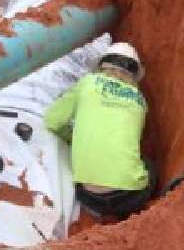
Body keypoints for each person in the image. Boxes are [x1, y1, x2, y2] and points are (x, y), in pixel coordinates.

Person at [44, 42, 154, 220]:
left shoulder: (88, 83)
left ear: (102, 66)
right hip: (129, 198)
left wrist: (72, 137)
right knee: (148, 165)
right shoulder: (141, 101)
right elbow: (133, 140)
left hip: (90, 198)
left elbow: (53, 121)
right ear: (133, 75)